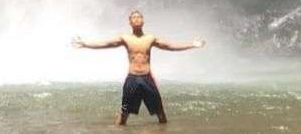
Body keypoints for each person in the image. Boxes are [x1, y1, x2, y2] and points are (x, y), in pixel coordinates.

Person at [71, 10, 205, 125]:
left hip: (147, 78)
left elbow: (170, 46)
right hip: (132, 79)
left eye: (139, 16)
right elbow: (106, 43)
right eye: (133, 17)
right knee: (124, 115)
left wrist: (192, 45)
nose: (137, 19)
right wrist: (85, 44)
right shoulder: (125, 38)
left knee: (161, 114)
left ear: (143, 21)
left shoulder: (150, 38)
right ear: (129, 22)